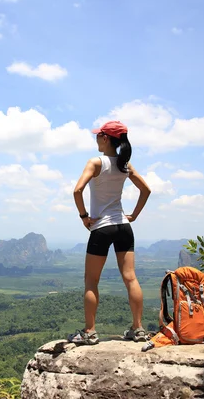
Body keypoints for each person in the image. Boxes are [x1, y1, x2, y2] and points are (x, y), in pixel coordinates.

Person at [67, 120, 151, 345]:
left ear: (106, 138)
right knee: (130, 278)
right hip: (124, 226)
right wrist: (133, 215)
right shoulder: (125, 164)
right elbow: (146, 190)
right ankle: (138, 328)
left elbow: (77, 190)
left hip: (101, 228)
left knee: (91, 280)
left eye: (98, 135)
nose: (96, 139)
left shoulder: (96, 163)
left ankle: (90, 332)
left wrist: (84, 216)